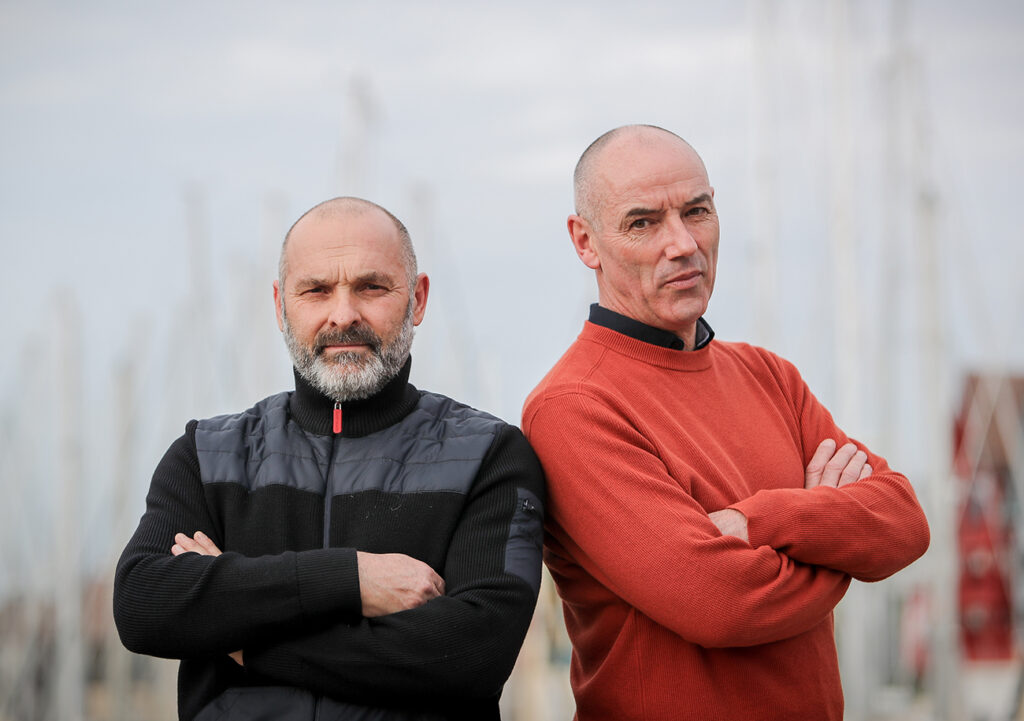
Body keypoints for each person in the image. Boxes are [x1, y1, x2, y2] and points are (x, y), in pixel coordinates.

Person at [521, 125, 930, 721]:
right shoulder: (573, 407)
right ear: (586, 242)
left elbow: (905, 522)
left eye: (697, 211)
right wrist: (839, 544)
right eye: (644, 223)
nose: (683, 244)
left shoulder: (769, 376)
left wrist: (758, 519)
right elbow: (720, 604)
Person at [114, 197, 546, 721]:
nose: (343, 315)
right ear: (280, 306)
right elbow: (143, 606)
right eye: (316, 290)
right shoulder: (206, 456)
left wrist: (244, 638)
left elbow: (471, 655)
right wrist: (351, 579)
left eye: (371, 287)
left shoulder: (491, 456)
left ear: (418, 299)